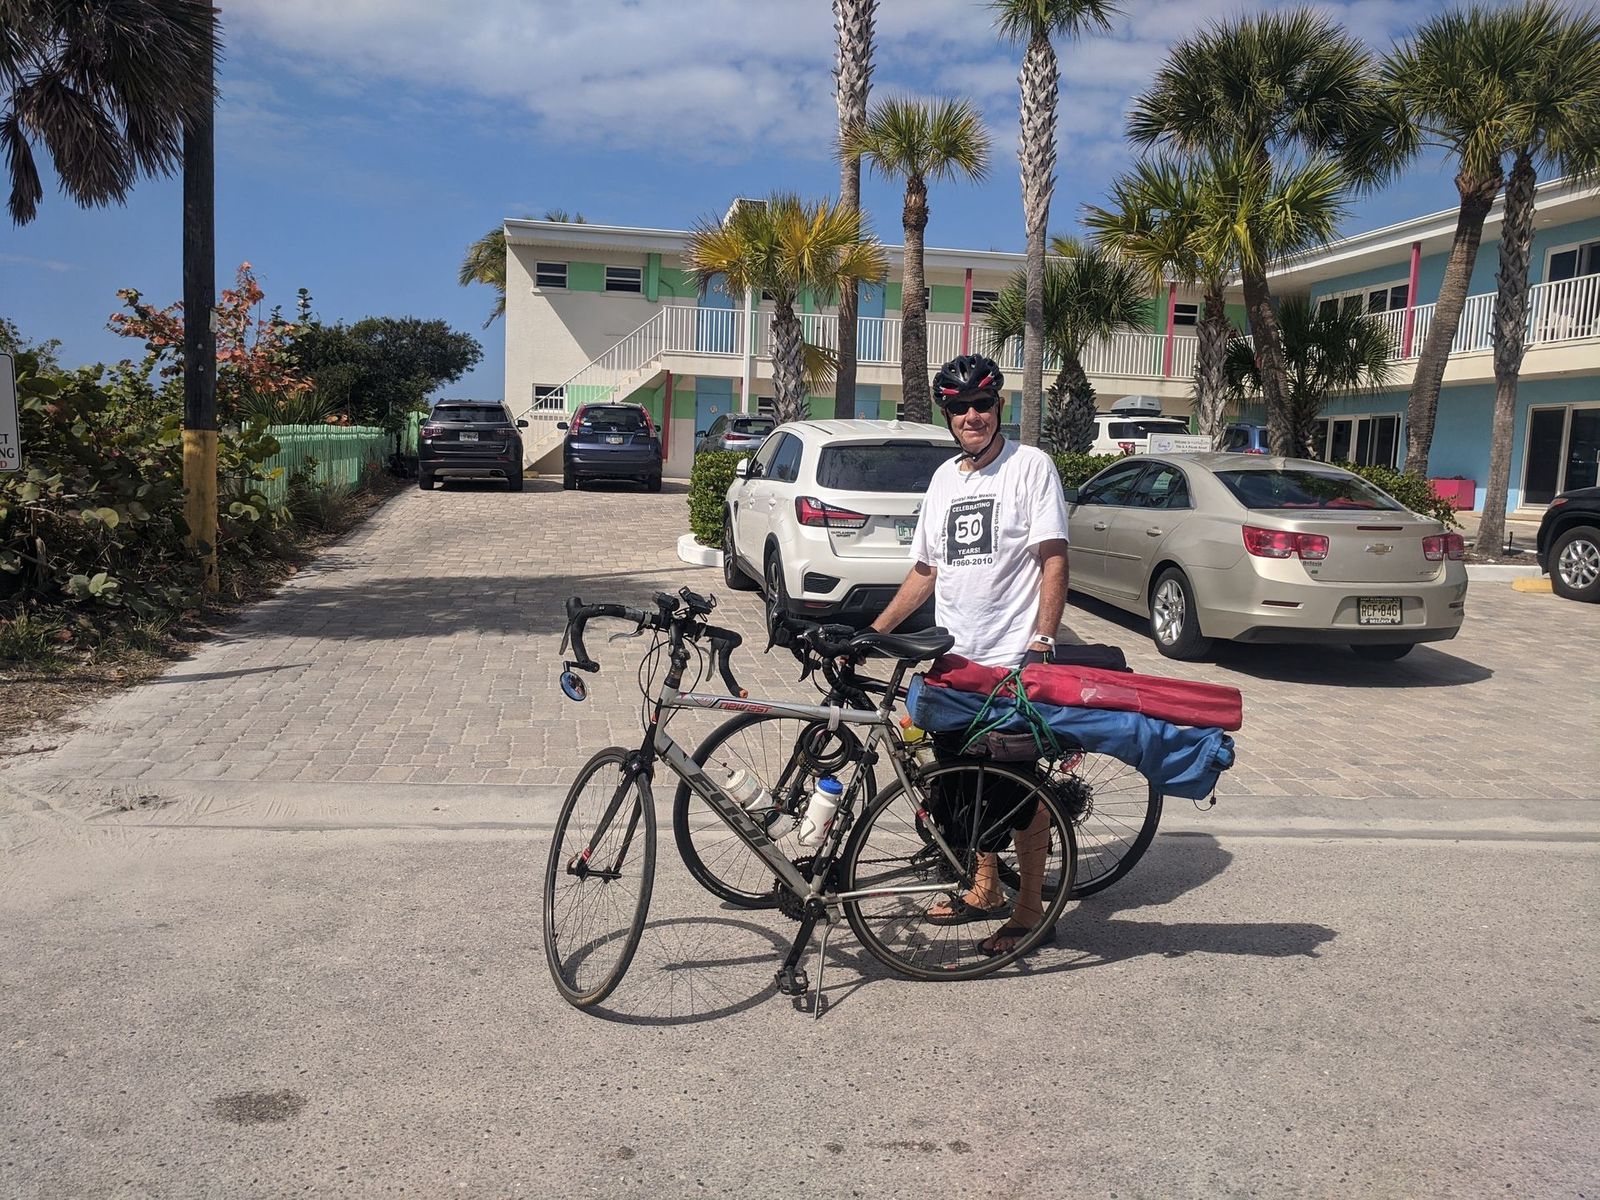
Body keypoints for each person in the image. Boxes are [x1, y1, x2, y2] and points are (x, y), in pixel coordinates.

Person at [870, 353, 1070, 957]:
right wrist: (874, 632)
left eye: (982, 404)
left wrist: (1042, 640)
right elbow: (925, 570)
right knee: (963, 783)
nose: (972, 416)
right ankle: (985, 887)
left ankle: (1032, 910)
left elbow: (1054, 558)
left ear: (998, 406)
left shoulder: (1030, 466)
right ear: (947, 415)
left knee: (1016, 789)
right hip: (954, 661)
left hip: (1010, 660)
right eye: (959, 408)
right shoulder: (944, 480)